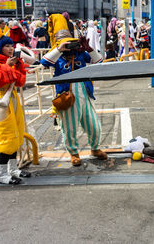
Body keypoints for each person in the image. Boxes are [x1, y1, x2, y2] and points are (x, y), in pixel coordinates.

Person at [40, 14, 107, 166]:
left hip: (85, 94)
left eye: (70, 42)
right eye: (66, 43)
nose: (69, 45)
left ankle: (95, 148)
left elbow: (99, 61)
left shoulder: (81, 53)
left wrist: (88, 48)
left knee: (94, 125)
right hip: (67, 96)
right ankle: (74, 153)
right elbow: (44, 62)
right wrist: (59, 49)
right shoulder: (57, 56)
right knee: (69, 128)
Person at [0, 36, 31, 184]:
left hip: (13, 100)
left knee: (17, 133)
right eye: (7, 46)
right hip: (1, 103)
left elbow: (20, 82)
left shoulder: (11, 61)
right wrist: (7, 67)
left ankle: (13, 169)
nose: (10, 49)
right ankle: (2, 174)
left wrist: (19, 66)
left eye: (12, 46)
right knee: (7, 137)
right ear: (0, 48)